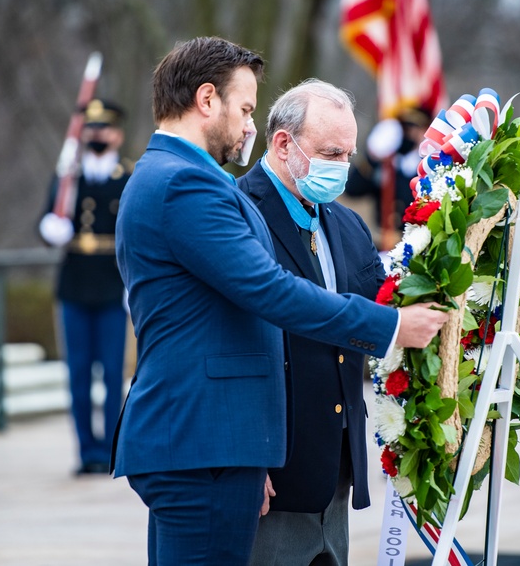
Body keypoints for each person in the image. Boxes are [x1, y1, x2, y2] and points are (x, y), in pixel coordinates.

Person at [109, 36, 448, 565]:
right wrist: (388, 326)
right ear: (205, 100)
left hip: (218, 444)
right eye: (245, 109)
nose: (251, 125)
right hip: (206, 444)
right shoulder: (185, 186)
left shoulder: (180, 178)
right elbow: (270, 290)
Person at [236, 79, 381, 565]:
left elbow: (369, 320)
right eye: (331, 153)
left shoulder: (346, 223)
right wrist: (249, 461)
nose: (341, 168)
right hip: (275, 476)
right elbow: (234, 345)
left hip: (336, 471)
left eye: (348, 155)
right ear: (283, 143)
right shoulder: (237, 214)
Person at [38, 99, 131, 475]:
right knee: (77, 373)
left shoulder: (126, 178)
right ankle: (85, 450)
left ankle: (110, 448)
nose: (97, 135)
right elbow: (48, 219)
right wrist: (50, 228)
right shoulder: (68, 178)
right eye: (91, 129)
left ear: (117, 134)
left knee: (111, 373)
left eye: (104, 128)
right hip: (75, 284)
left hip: (111, 285)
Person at [345, 106, 432, 244]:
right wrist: (373, 157)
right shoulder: (387, 165)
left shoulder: (430, 167)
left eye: (414, 129)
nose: (408, 135)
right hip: (383, 243)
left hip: (418, 243)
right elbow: (352, 190)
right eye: (405, 129)